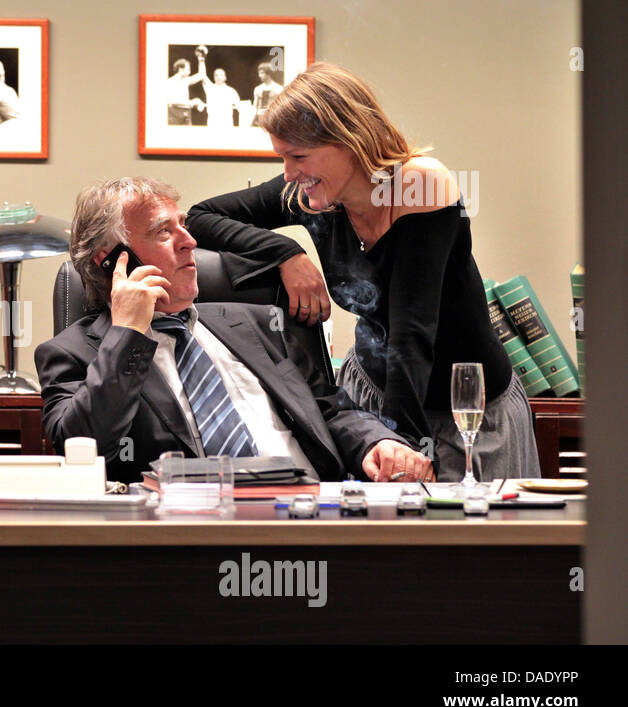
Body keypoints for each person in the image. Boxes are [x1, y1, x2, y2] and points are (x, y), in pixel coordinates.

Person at [184, 62, 539, 481]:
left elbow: (412, 334)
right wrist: (286, 253)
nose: (288, 173)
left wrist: (399, 445)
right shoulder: (309, 194)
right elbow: (201, 216)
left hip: (465, 413)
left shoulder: (420, 186)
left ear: (349, 141)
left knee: (466, 545)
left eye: (298, 156)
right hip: (371, 394)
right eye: (282, 157)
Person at [35, 176, 433, 484]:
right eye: (163, 232)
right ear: (113, 262)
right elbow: (83, 447)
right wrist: (128, 335)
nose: (189, 241)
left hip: (309, 514)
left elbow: (329, 409)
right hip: (191, 537)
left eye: (184, 226)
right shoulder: (73, 353)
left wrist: (376, 442)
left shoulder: (256, 323)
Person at [165, 58, 207, 125]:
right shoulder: (170, 82)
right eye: (188, 69)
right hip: (174, 114)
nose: (190, 71)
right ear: (180, 69)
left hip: (186, 113)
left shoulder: (186, 81)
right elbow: (172, 101)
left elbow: (201, 75)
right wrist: (193, 102)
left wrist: (201, 60)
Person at [251, 62, 283, 127]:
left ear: (268, 74)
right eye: (259, 73)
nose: (260, 75)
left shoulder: (278, 89)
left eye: (262, 73)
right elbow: (255, 106)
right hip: (260, 119)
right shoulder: (258, 89)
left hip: (273, 119)